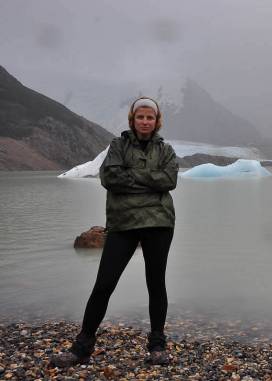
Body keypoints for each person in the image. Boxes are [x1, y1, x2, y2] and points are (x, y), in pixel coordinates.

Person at [50, 97, 179, 367]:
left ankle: (157, 345)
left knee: (156, 284)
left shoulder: (165, 150)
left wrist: (132, 176)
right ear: (132, 119)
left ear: (157, 121)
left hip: (159, 224)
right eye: (140, 117)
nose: (145, 121)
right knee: (104, 284)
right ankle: (82, 346)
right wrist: (150, 181)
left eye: (150, 117)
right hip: (123, 223)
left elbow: (169, 180)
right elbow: (110, 178)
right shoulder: (118, 146)